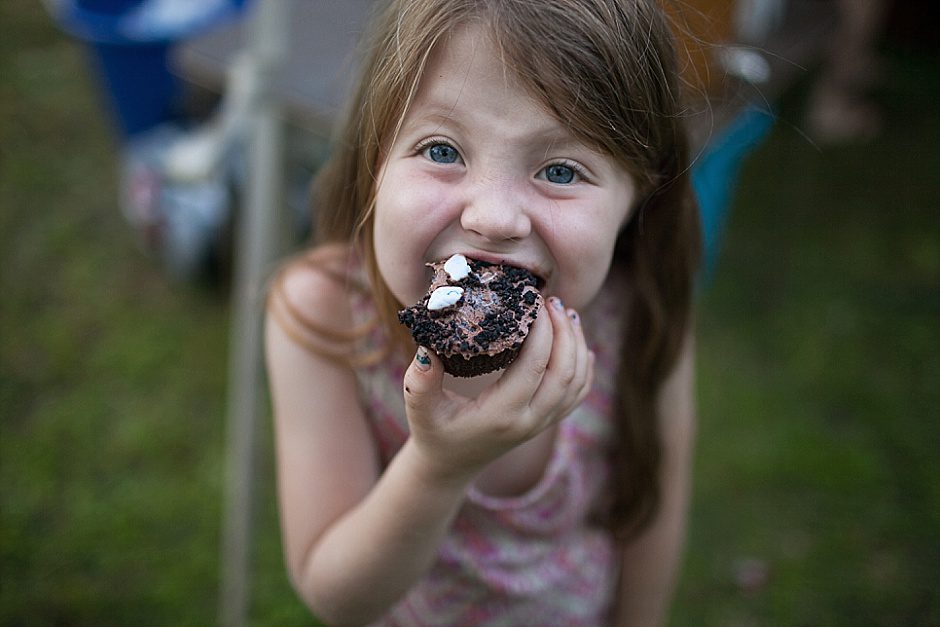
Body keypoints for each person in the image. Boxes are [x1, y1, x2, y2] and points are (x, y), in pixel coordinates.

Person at [265, 0, 701, 624]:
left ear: (638, 197)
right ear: (375, 159)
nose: (493, 219)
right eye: (442, 151)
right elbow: (337, 597)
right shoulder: (324, 314)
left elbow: (652, 522)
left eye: (560, 170)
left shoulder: (637, 317)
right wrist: (439, 467)